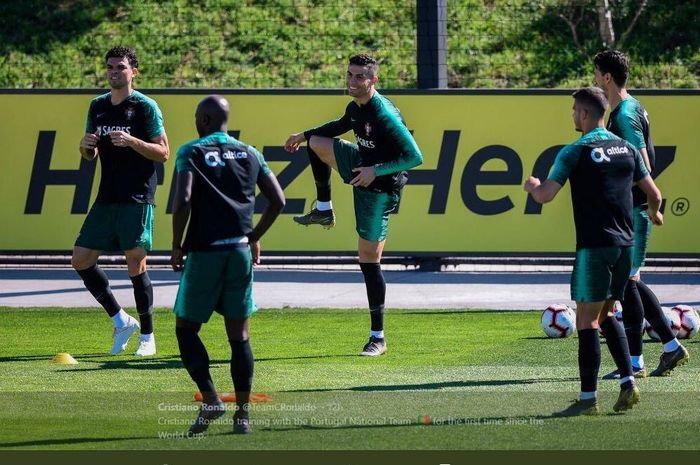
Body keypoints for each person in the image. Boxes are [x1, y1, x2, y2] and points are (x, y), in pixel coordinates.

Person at [524, 87, 664, 416]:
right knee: (606, 315)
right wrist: (656, 213)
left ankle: (588, 399)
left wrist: (532, 187)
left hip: (595, 246)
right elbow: (654, 193)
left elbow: (546, 195)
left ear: (585, 114)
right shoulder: (627, 148)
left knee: (587, 321)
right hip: (624, 247)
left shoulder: (574, 151)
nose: (572, 114)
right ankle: (629, 381)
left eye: (574, 110)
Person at [284, 54, 423, 356]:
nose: (352, 81)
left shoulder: (384, 114)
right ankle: (323, 208)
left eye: (360, 76)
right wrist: (303, 134)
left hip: (381, 187)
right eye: (349, 74)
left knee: (368, 258)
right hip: (362, 168)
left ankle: (378, 338)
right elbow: (338, 126)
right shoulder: (354, 107)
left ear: (374, 80)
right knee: (318, 143)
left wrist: (376, 170)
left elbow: (415, 157)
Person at [171, 95, 285, 435]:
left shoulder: (190, 151)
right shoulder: (251, 152)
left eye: (196, 116)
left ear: (204, 120)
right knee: (240, 336)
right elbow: (278, 200)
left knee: (186, 328)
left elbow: (184, 200)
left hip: (205, 253)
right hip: (239, 252)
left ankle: (211, 400)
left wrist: (177, 245)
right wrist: (253, 236)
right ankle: (243, 417)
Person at [594, 50, 689, 378]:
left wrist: (647, 201)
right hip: (635, 208)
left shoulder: (623, 115)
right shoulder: (633, 107)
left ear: (607, 77)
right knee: (631, 281)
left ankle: (641, 359)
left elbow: (641, 162)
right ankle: (666, 348)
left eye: (596, 73)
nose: (594, 79)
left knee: (628, 284)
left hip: (631, 209)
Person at [72, 46, 169, 357]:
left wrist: (132, 141)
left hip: (138, 195)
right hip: (107, 196)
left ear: (134, 72)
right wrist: (86, 147)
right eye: (110, 67)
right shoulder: (97, 106)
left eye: (121, 67)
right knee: (81, 259)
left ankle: (148, 337)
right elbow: (91, 154)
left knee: (135, 262)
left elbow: (163, 152)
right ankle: (120, 320)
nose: (114, 72)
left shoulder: (144, 107)